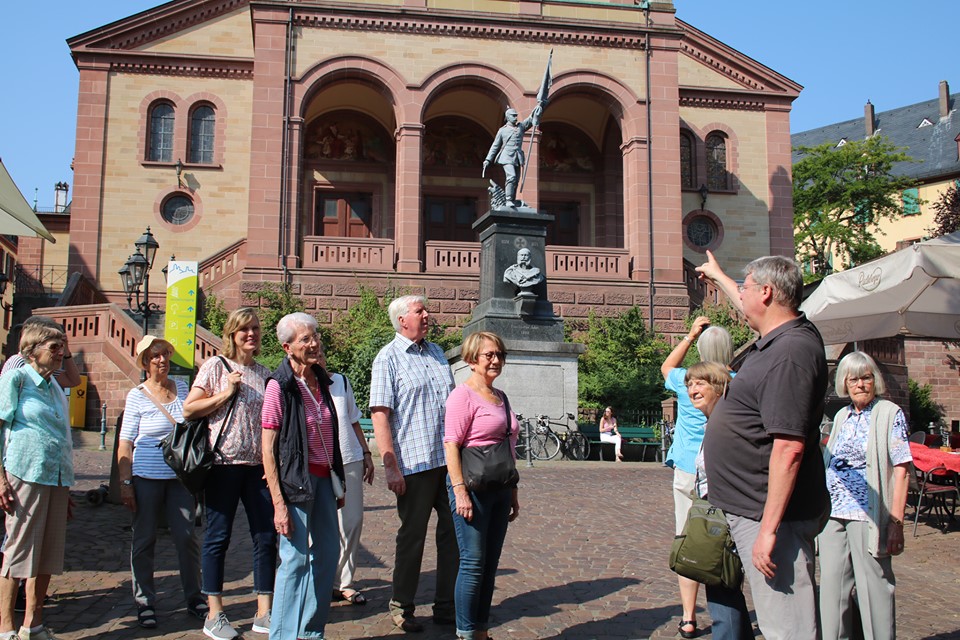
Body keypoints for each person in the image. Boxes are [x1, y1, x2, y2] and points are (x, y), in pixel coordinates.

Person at [696, 250, 829, 640]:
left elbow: (789, 447)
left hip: (771, 516)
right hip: (756, 508)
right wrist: (720, 276)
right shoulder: (778, 335)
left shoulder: (790, 353)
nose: (741, 293)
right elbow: (747, 306)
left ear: (767, 293)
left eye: (746, 286)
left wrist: (769, 530)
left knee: (787, 626)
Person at [182, 308, 276, 639]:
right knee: (217, 538)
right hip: (222, 465)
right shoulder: (215, 367)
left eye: (255, 329)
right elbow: (189, 409)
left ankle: (264, 611)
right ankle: (215, 613)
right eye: (244, 330)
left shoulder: (265, 374)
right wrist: (226, 393)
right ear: (232, 334)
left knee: (266, 536)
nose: (251, 334)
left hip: (257, 468)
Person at [370, 295, 457, 633]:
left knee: (453, 534)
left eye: (425, 310)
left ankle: (447, 606)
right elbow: (380, 415)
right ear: (402, 320)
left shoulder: (436, 352)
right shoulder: (387, 358)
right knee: (413, 536)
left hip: (447, 461)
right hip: (414, 462)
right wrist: (390, 466)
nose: (427, 314)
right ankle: (402, 605)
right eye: (420, 311)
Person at [261, 313, 344, 640]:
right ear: (287, 347)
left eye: (315, 336)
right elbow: (267, 451)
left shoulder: (321, 380)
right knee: (294, 560)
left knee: (327, 555)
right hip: (295, 484)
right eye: (305, 339)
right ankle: (281, 634)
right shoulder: (278, 387)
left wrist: (338, 479)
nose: (314, 343)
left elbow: (331, 433)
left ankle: (311, 631)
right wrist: (279, 504)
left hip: (324, 481)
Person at [819, 352, 912, 640]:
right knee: (833, 591)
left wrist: (895, 522)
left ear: (875, 380)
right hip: (834, 513)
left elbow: (902, 469)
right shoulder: (842, 415)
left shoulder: (889, 414)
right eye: (853, 378)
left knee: (874, 589)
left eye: (866, 377)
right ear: (844, 383)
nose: (860, 384)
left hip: (867, 515)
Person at [117, 336, 205, 630]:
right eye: (155, 356)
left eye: (165, 355)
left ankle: (195, 597)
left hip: (179, 478)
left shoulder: (181, 388)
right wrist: (125, 482)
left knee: (186, 538)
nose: (162, 361)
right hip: (146, 477)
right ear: (145, 362)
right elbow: (125, 443)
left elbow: (193, 421)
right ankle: (144, 601)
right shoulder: (137, 396)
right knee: (144, 540)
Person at [660, 316, 734, 638]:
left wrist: (689, 336)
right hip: (724, 471)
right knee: (723, 541)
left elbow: (666, 367)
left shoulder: (687, 379)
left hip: (689, 469)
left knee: (687, 540)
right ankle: (727, 614)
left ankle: (689, 617)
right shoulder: (735, 379)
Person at [444, 332, 520, 640]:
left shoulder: (501, 397)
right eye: (489, 355)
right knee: (473, 562)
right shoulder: (462, 396)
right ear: (472, 359)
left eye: (499, 354)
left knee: (490, 564)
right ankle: (465, 630)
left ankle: (481, 628)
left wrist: (513, 491)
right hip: (472, 489)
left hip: (500, 487)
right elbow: (451, 444)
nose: (495, 360)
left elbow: (510, 448)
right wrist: (459, 489)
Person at [0, 322, 74, 640]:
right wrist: (0, 480)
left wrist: (67, 484)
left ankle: (34, 623)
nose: (61, 353)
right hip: (24, 472)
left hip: (56, 477)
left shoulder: (55, 386)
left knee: (47, 554)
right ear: (32, 351)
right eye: (54, 347)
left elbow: (62, 435)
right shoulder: (15, 378)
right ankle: (5, 627)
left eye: (62, 347)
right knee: (19, 551)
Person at [685, 362, 752, 640]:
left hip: (731, 515)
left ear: (719, 386)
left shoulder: (728, 422)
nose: (692, 389)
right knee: (722, 583)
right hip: (717, 512)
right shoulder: (713, 421)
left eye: (700, 383)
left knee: (721, 581)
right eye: (689, 384)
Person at [323, 349, 375, 607]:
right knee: (321, 524)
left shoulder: (341, 381)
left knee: (352, 521)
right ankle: (323, 580)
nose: (318, 358)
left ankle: (344, 582)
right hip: (319, 461)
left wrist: (366, 452)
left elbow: (353, 420)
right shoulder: (300, 385)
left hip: (349, 456)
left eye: (321, 353)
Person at [483, 106, 543, 207]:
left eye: (516, 115)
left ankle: (513, 200)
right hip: (506, 156)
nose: (516, 117)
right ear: (508, 117)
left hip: (517, 157)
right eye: (513, 116)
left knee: (516, 180)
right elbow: (495, 145)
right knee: (511, 177)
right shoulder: (502, 130)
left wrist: (538, 109)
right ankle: (509, 199)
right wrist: (488, 159)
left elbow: (530, 119)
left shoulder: (521, 127)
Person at [1, 315, 82, 389]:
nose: (60, 353)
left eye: (61, 345)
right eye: (53, 346)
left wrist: (66, 350)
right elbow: (5, 399)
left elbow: (74, 381)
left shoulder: (46, 369)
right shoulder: (18, 363)